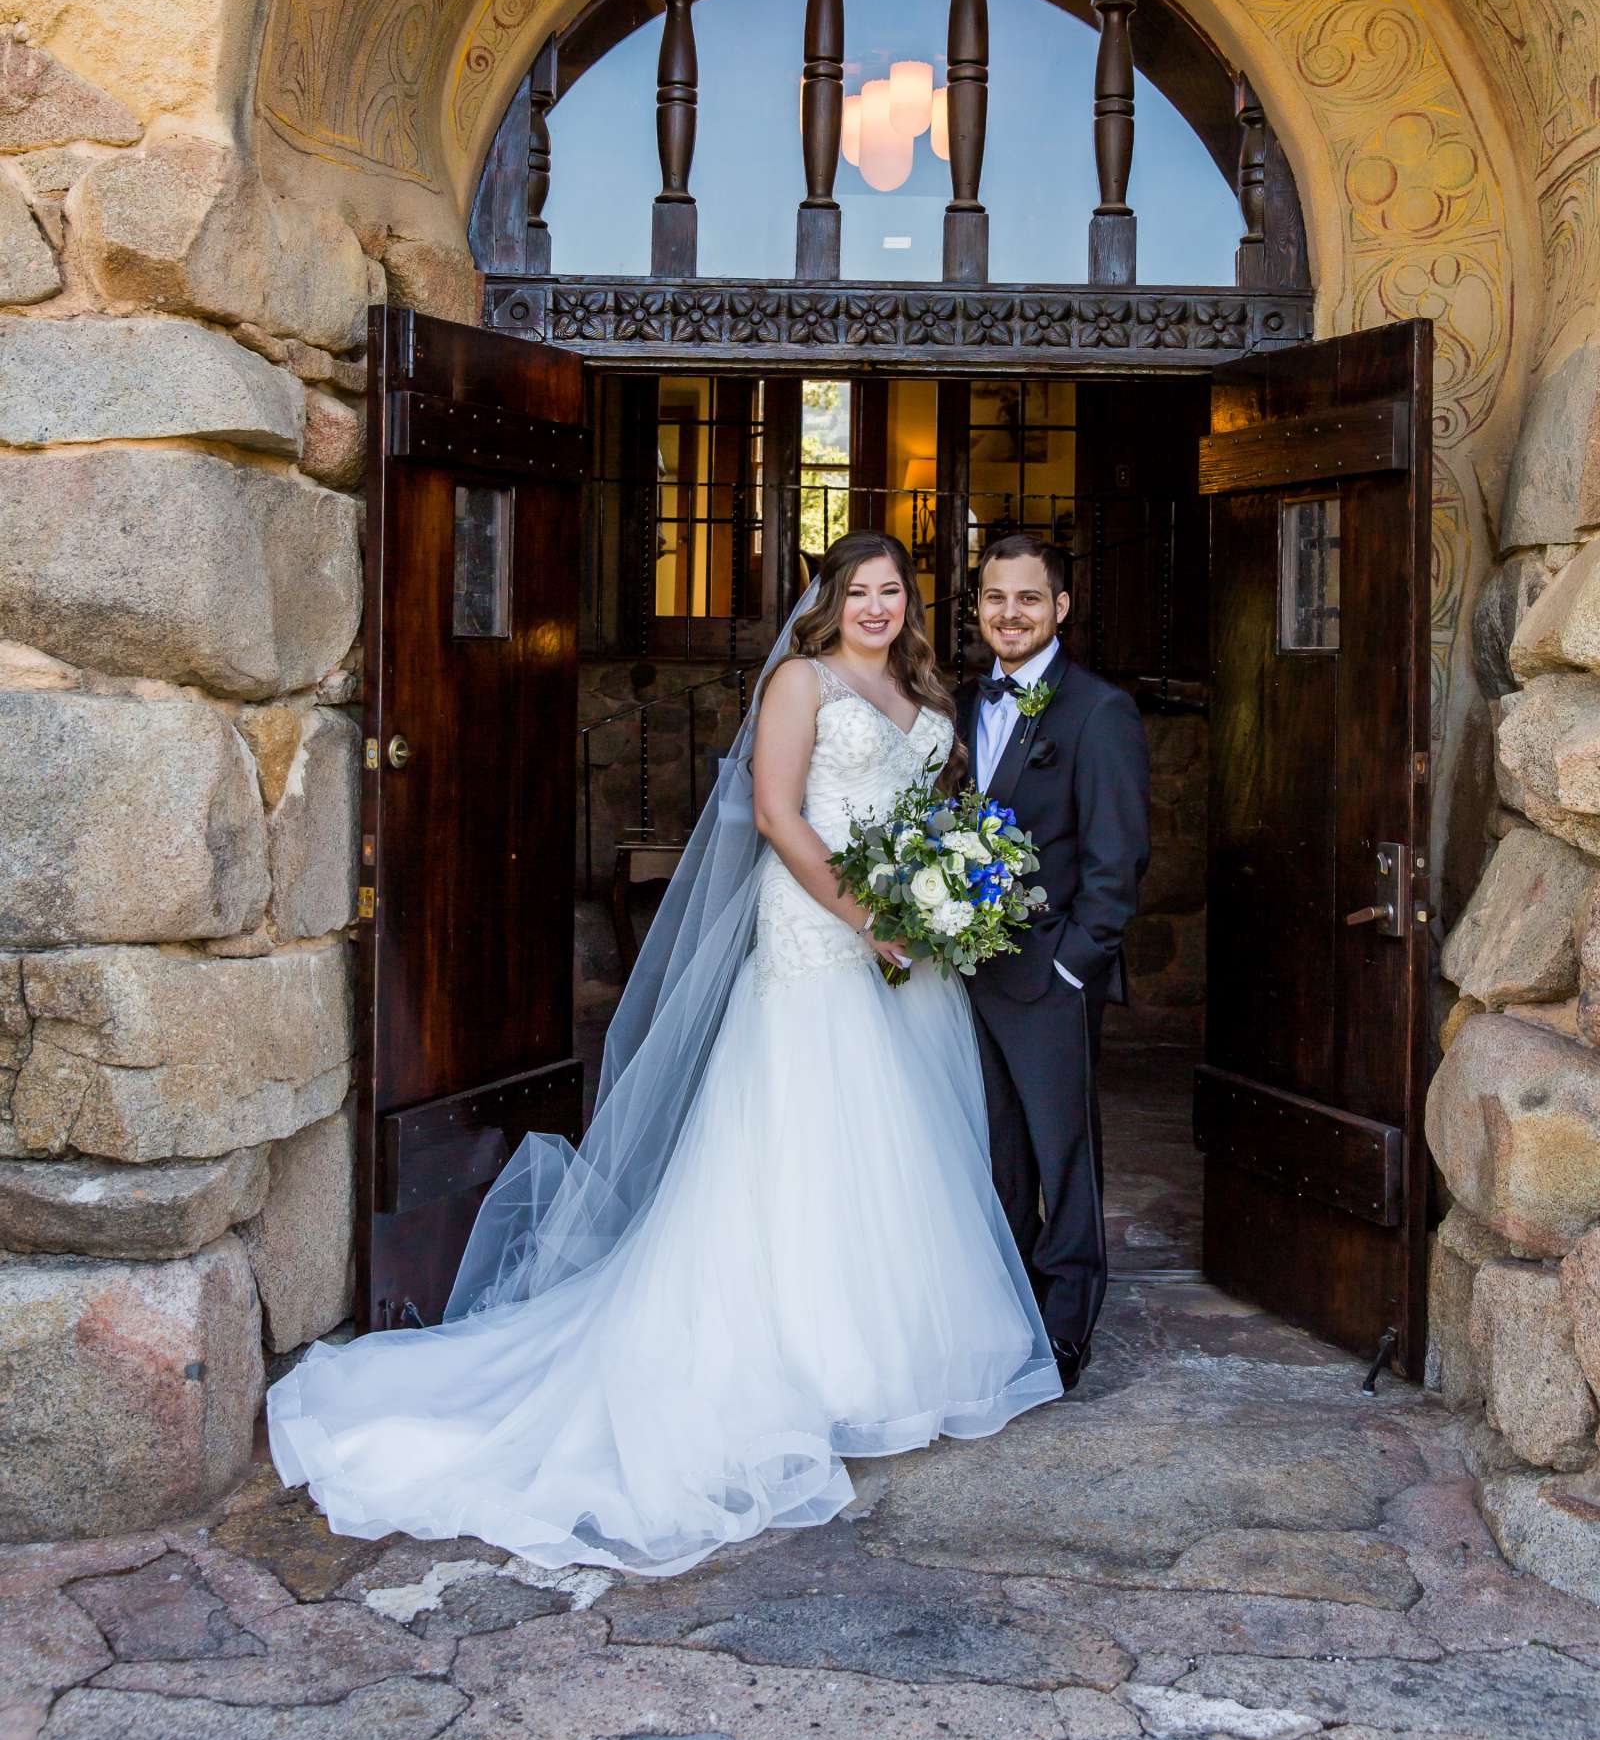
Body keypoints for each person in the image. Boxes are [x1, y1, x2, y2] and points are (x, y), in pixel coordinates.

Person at [268, 532, 1059, 1576]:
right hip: (819, 940)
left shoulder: (927, 692)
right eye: (858, 592)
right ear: (826, 602)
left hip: (905, 955)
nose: (877, 608)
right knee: (804, 1139)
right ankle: (794, 1362)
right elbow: (778, 816)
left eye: (893, 593)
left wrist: (941, 897)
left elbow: (930, 816)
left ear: (913, 606)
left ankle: (888, 1366)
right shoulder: (800, 682)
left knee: (898, 1150)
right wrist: (868, 914)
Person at [956, 533, 1150, 1392]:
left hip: (1050, 977)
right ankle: (1007, 1306)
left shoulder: (1097, 711)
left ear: (1060, 608)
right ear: (978, 609)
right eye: (996, 598)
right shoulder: (961, 706)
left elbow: (1118, 861)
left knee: (1063, 1155)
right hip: (969, 974)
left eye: (1028, 599)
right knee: (996, 1153)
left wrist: (1074, 967)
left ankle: (1068, 1323)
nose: (1011, 614)